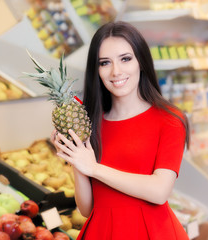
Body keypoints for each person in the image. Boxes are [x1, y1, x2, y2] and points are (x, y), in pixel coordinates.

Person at [52, 21, 190, 240]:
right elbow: (87, 209)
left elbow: (159, 191)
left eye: (126, 59)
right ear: (96, 70)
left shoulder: (170, 120)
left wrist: (94, 168)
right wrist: (77, 159)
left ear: (141, 62)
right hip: (102, 231)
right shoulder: (91, 121)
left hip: (152, 233)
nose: (116, 72)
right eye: (105, 63)